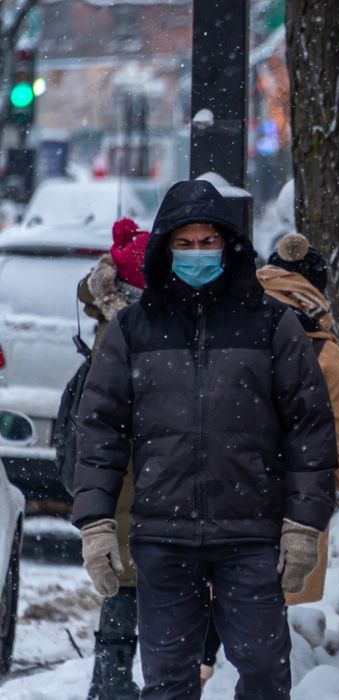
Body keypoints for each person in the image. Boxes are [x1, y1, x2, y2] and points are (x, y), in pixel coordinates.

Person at [71, 179, 338, 700]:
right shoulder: (133, 329)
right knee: (168, 682)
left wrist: (304, 524)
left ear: (228, 246)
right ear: (166, 248)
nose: (197, 254)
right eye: (184, 243)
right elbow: (101, 428)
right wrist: (96, 523)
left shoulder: (272, 325)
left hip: (250, 535)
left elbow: (309, 428)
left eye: (207, 242)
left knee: (263, 673)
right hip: (163, 535)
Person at [199, 232, 339, 688]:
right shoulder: (323, 352)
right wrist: (325, 487)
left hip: (217, 499)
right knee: (265, 634)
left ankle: (203, 668)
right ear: (316, 289)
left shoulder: (223, 328)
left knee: (209, 614)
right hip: (291, 512)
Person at [77, 217, 149, 700]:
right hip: (128, 486)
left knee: (125, 588)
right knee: (126, 587)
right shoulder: (126, 329)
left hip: (125, 486)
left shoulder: (111, 320)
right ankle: (113, 685)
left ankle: (110, 683)